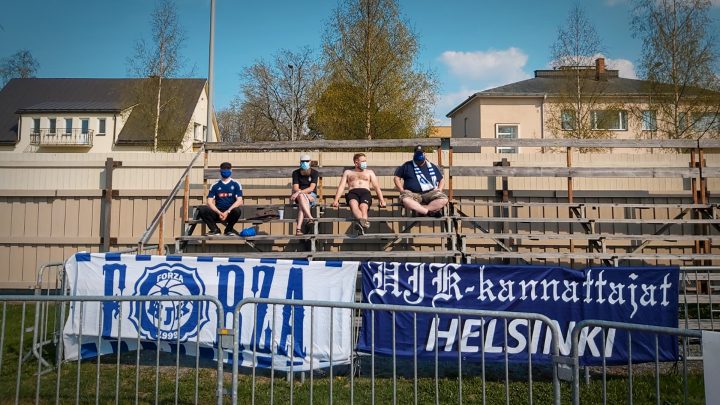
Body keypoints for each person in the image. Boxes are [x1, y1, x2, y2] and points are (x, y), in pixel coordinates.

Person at [332, 153, 387, 233]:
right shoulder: (348, 172)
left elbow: (376, 187)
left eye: (365, 161)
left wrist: (382, 200)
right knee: (354, 205)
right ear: (356, 162)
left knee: (363, 207)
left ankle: (361, 224)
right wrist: (336, 200)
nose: (365, 163)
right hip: (352, 192)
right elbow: (341, 186)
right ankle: (364, 224)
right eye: (363, 161)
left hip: (365, 193)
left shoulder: (370, 172)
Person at [393, 145, 448, 217]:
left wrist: (439, 189)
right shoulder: (407, 165)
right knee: (405, 200)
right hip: (412, 194)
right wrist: (401, 190)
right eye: (417, 153)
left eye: (421, 153)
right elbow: (396, 178)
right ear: (414, 154)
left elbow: (441, 180)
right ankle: (428, 212)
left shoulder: (431, 166)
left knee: (444, 199)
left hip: (429, 193)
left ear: (425, 154)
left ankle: (421, 211)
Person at [198, 162, 244, 236]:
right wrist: (219, 213)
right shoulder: (215, 185)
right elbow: (209, 202)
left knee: (237, 211)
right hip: (218, 213)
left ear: (231, 170)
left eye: (227, 169)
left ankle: (228, 230)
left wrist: (227, 212)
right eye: (224, 169)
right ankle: (215, 230)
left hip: (230, 213)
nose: (226, 171)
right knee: (202, 209)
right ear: (220, 171)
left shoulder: (236, 184)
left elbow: (240, 201)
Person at [290, 154, 319, 235]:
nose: (304, 163)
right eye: (303, 161)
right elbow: (295, 187)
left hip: (311, 195)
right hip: (301, 196)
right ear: (300, 162)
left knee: (301, 205)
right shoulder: (295, 173)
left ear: (310, 162)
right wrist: (302, 193)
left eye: (306, 161)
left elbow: (311, 188)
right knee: (302, 197)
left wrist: (299, 193)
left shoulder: (314, 173)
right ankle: (310, 217)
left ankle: (298, 229)